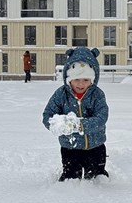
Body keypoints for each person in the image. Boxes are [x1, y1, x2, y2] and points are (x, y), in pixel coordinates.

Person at [42, 47, 109, 181]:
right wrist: (57, 125)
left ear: (93, 79)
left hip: (95, 145)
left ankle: (100, 181)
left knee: (97, 176)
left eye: (85, 79)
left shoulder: (97, 95)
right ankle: (69, 186)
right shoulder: (61, 95)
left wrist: (81, 125)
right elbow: (48, 115)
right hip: (70, 146)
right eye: (77, 79)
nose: (81, 84)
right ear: (69, 79)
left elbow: (101, 117)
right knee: (71, 176)